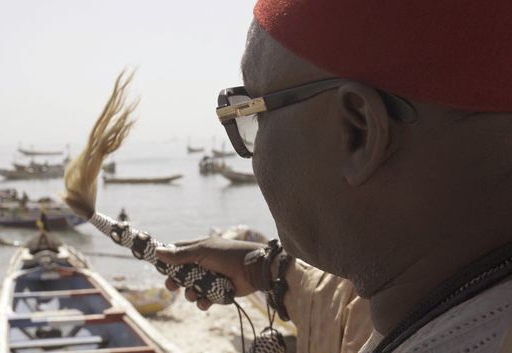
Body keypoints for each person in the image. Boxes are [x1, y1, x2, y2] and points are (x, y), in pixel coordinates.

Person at [156, 1, 512, 353]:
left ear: (356, 131)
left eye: (253, 112)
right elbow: (342, 302)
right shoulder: (446, 292)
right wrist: (265, 270)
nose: (253, 150)